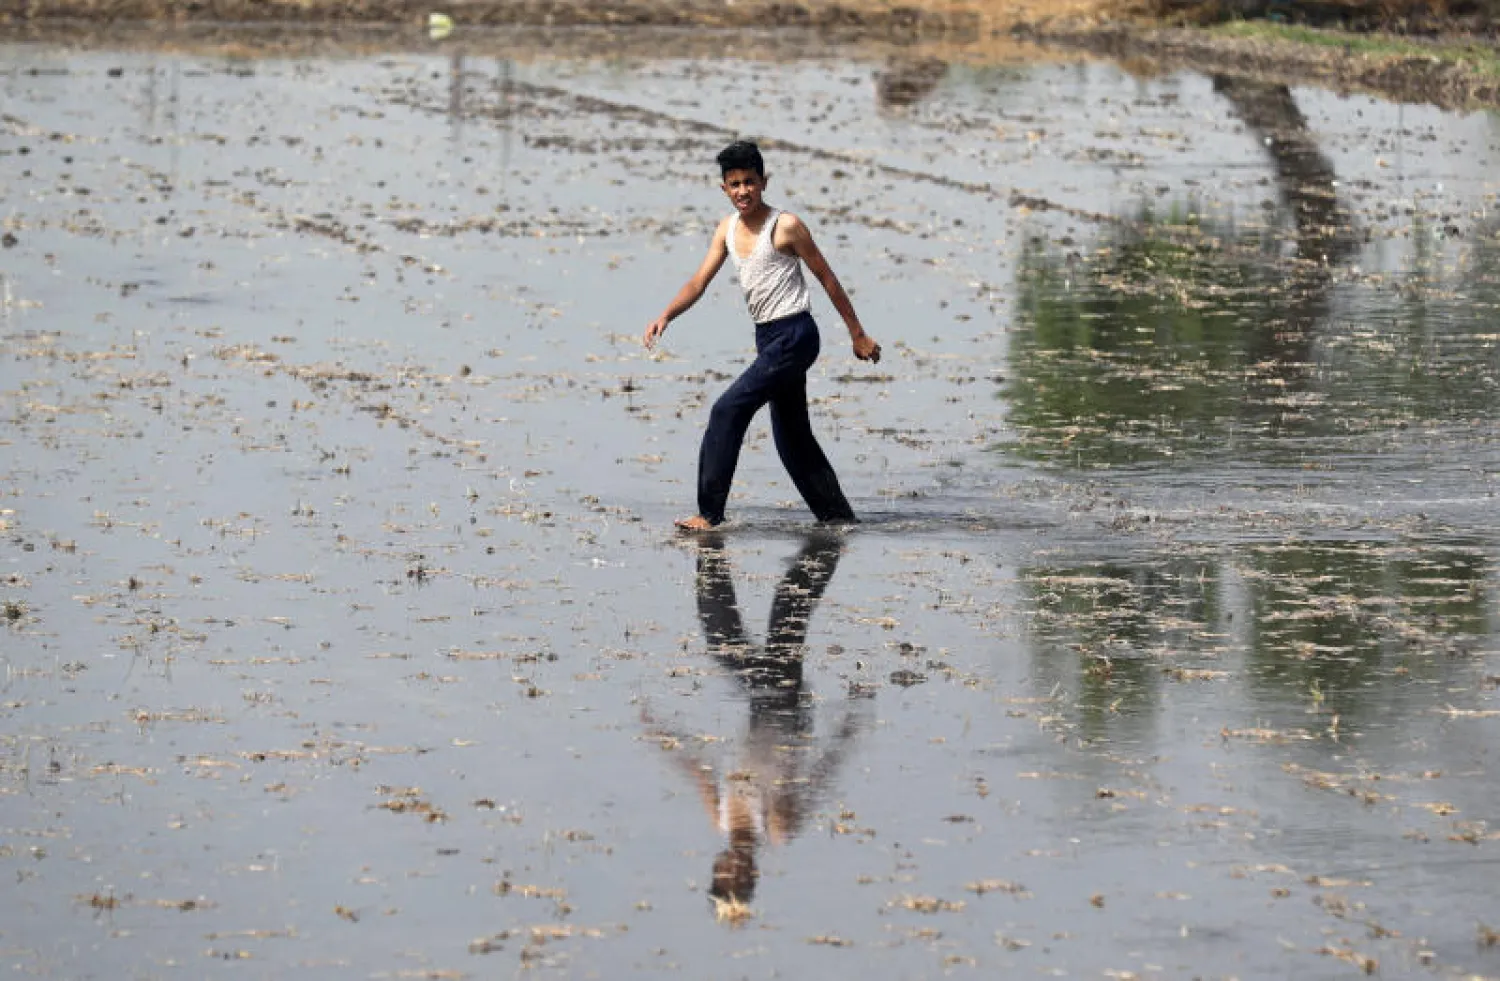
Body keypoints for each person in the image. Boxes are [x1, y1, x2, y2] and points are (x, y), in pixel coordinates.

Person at [642, 140, 882, 532]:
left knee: (727, 410)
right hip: (768, 339)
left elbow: (827, 279)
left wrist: (858, 335)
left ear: (763, 182)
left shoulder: (785, 226)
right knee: (792, 439)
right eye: (734, 184)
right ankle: (838, 518)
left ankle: (708, 515)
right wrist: (666, 315)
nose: (742, 191)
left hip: (796, 334)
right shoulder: (727, 229)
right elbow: (699, 282)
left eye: (749, 182)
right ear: (724, 189)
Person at [641, 532, 866, 919]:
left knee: (748, 630)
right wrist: (846, 731)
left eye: (725, 873)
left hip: (761, 702)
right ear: (753, 873)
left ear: (716, 866)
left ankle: (812, 549)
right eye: (740, 876)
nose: (734, 867)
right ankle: (825, 547)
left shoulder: (721, 818)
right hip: (786, 706)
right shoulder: (776, 827)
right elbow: (816, 780)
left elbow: (698, 769)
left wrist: (661, 733)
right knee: (779, 619)